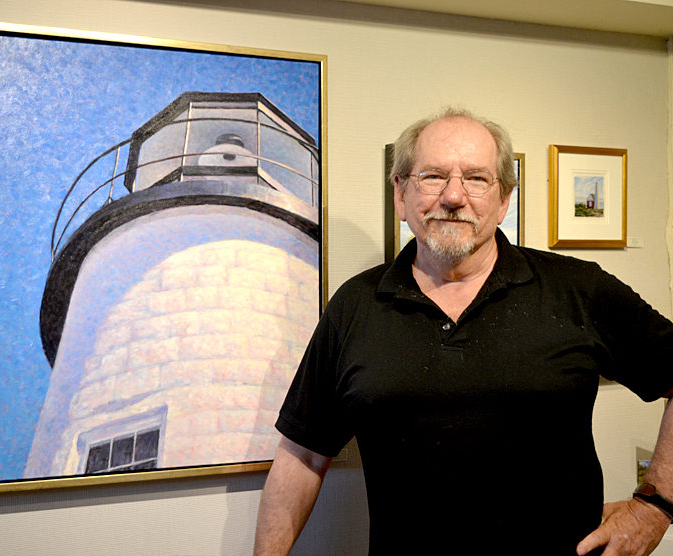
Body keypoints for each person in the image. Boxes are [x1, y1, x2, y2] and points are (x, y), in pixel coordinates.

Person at [253, 108, 673, 555]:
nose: (454, 196)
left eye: (476, 178)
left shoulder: (578, 290)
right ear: (400, 193)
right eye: (432, 176)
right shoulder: (355, 306)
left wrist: (657, 505)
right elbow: (302, 456)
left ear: (504, 198)